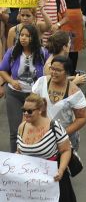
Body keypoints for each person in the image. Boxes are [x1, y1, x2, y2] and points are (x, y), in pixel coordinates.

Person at [17, 93, 76, 202]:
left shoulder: (54, 126)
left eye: (29, 111)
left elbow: (66, 150)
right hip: (29, 181)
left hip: (52, 178)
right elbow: (19, 152)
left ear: (39, 110)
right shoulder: (22, 127)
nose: (26, 113)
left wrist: (61, 170)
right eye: (23, 110)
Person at [0, 23, 48, 152]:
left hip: (34, 97)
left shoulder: (43, 53)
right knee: (15, 130)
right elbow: (2, 70)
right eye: (22, 35)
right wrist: (11, 80)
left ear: (33, 38)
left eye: (27, 36)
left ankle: (33, 155)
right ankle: (14, 160)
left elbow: (50, 71)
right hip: (14, 94)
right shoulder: (12, 52)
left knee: (34, 128)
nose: (24, 38)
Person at [31, 54, 86, 151]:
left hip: (65, 141)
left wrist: (63, 133)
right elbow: (30, 106)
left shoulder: (74, 92)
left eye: (58, 70)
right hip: (40, 136)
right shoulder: (41, 82)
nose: (54, 72)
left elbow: (82, 118)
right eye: (52, 69)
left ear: (67, 72)